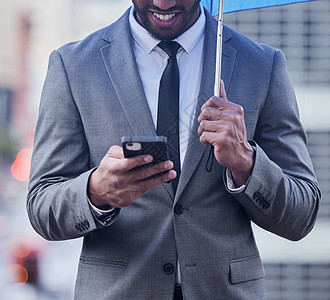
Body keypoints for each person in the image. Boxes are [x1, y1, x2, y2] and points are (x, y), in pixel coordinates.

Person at [27, 0, 320, 299]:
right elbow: (41, 205)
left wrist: (246, 162)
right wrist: (96, 192)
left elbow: (302, 214)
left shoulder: (261, 65)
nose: (162, 2)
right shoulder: (74, 66)